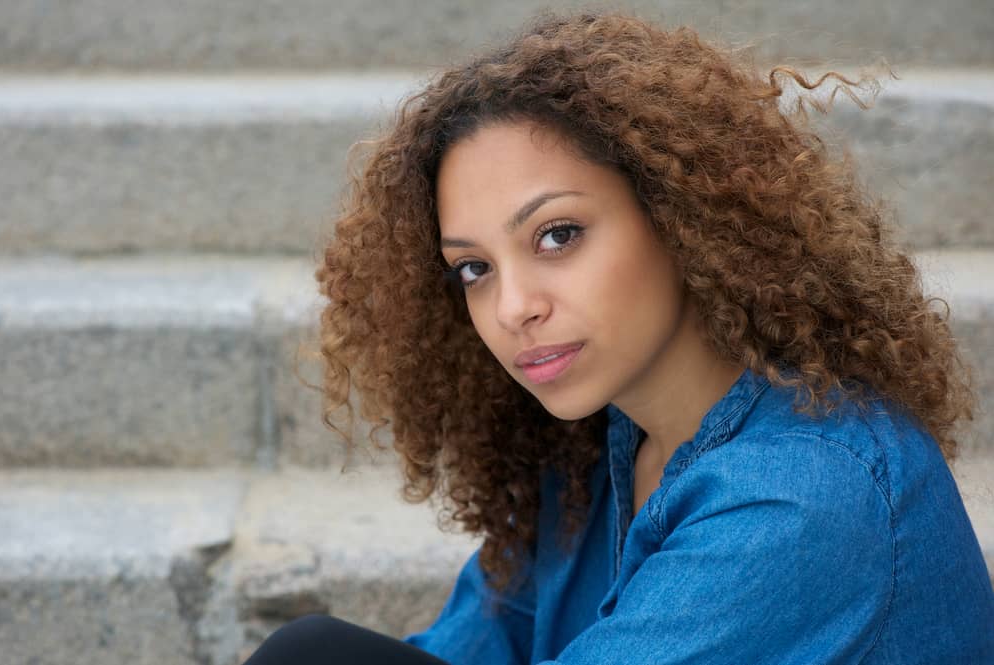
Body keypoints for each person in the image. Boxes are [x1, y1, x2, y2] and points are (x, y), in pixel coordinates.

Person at [243, 10, 994, 665]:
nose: (512, 307)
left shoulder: (804, 500)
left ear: (679, 220)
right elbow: (470, 648)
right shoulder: (588, 453)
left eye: (556, 234)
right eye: (472, 267)